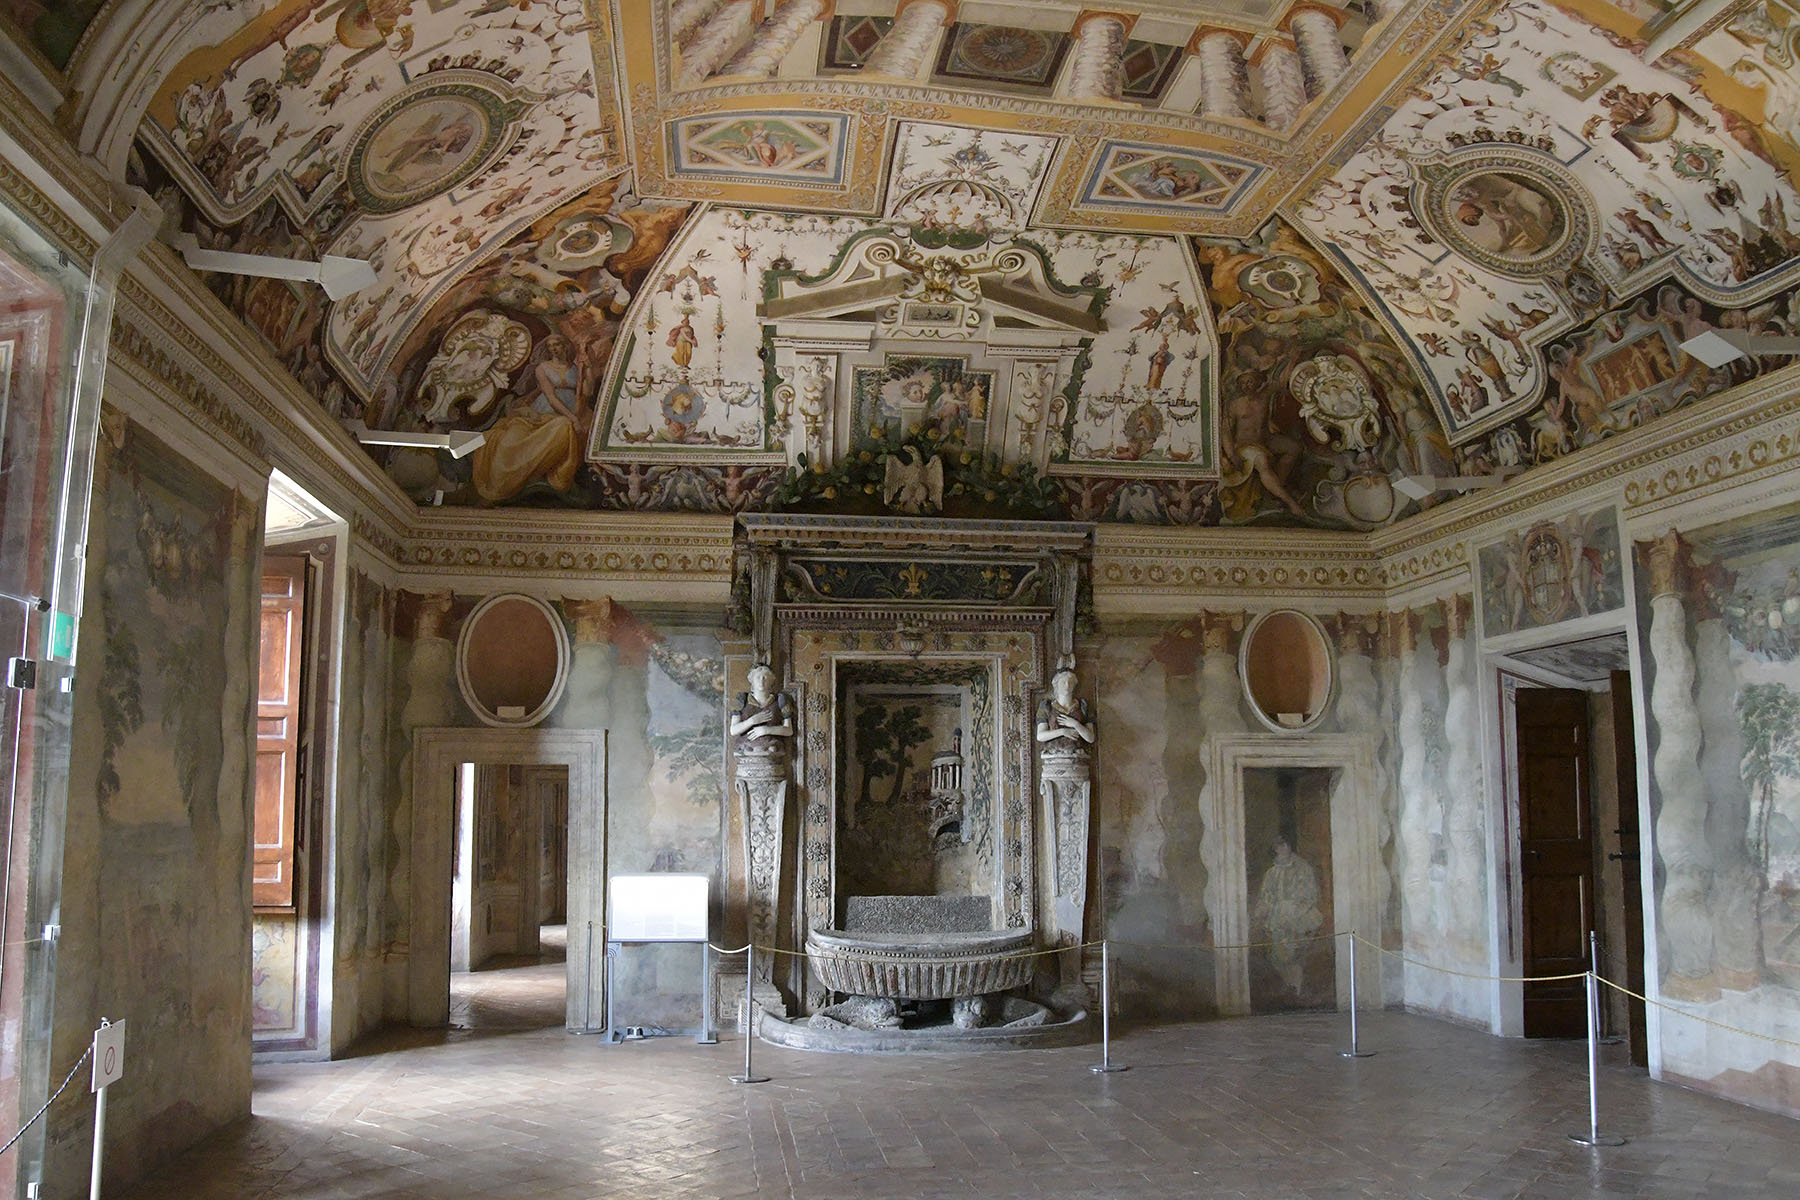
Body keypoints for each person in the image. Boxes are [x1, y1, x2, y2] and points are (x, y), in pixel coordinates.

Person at [730, 664, 793, 754]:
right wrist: (752, 721)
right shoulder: (742, 700)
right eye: (758, 677)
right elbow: (733, 730)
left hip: (771, 750)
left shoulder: (780, 701)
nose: (761, 681)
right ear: (752, 681)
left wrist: (766, 730)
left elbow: (789, 730)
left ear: (771, 681)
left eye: (765, 678)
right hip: (746, 749)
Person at [1035, 668, 1094, 753]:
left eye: (1070, 682)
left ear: (1074, 685)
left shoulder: (1083, 706)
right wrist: (1063, 731)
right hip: (1053, 754)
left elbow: (1090, 738)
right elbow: (1040, 736)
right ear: (1056, 684)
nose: (1067, 685)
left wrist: (1075, 724)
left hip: (1077, 754)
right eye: (1063, 682)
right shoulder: (1047, 706)